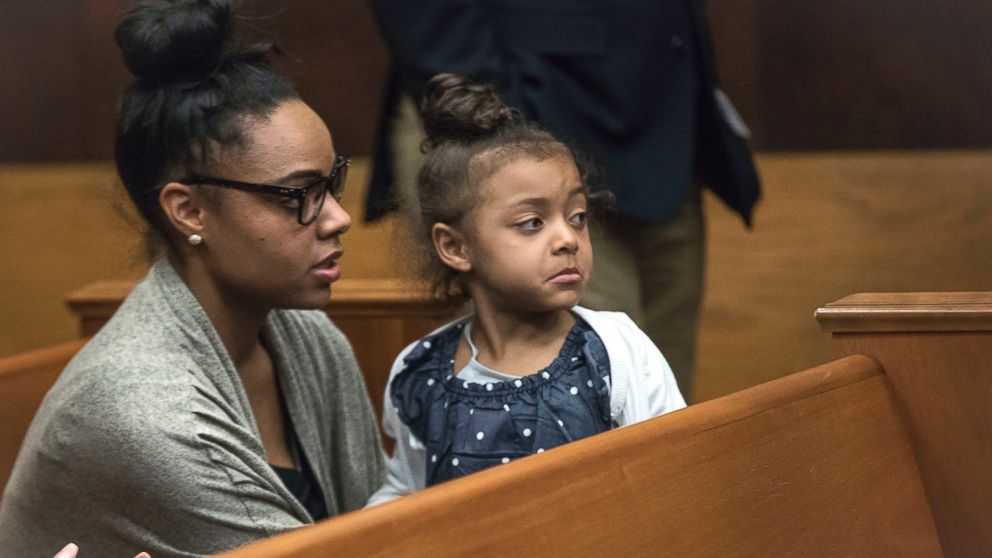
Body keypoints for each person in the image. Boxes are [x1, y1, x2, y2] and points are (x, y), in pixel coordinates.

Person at [0, 0, 386, 555]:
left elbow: (379, 530)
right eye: (299, 194)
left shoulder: (310, 338)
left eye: (333, 183)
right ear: (189, 211)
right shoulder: (145, 413)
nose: (338, 217)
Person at [365, 0, 762, 401]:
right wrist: (499, 124)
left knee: (654, 393)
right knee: (568, 389)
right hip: (526, 103)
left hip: (664, 111)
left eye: (577, 220)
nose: (569, 238)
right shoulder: (413, 378)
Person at [367, 74, 685, 504]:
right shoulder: (419, 372)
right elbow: (405, 491)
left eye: (577, 216)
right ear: (455, 246)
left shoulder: (615, 351)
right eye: (532, 223)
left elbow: (674, 474)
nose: (568, 239)